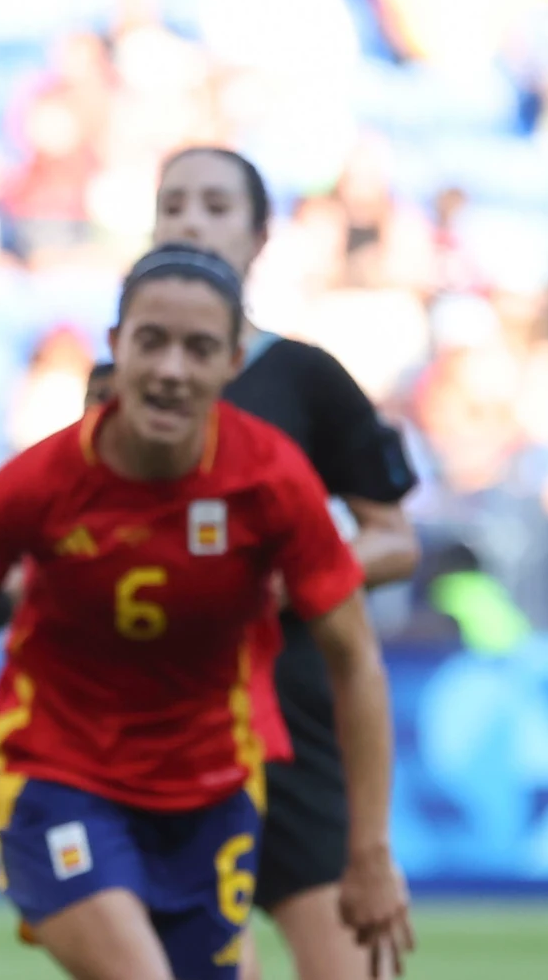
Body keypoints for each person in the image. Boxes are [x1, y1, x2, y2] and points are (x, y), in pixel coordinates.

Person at [0, 245, 413, 980]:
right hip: (56, 777)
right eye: (152, 341)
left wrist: (371, 851)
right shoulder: (41, 481)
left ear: (234, 362)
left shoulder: (273, 479)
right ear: (117, 347)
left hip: (214, 795)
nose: (171, 369)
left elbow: (354, 658)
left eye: (200, 348)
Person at [155, 147, 422, 980]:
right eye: (173, 205)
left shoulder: (303, 375)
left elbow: (396, 536)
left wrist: (289, 573)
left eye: (214, 205)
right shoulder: (125, 382)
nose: (190, 220)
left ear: (260, 236)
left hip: (296, 707)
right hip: (165, 715)